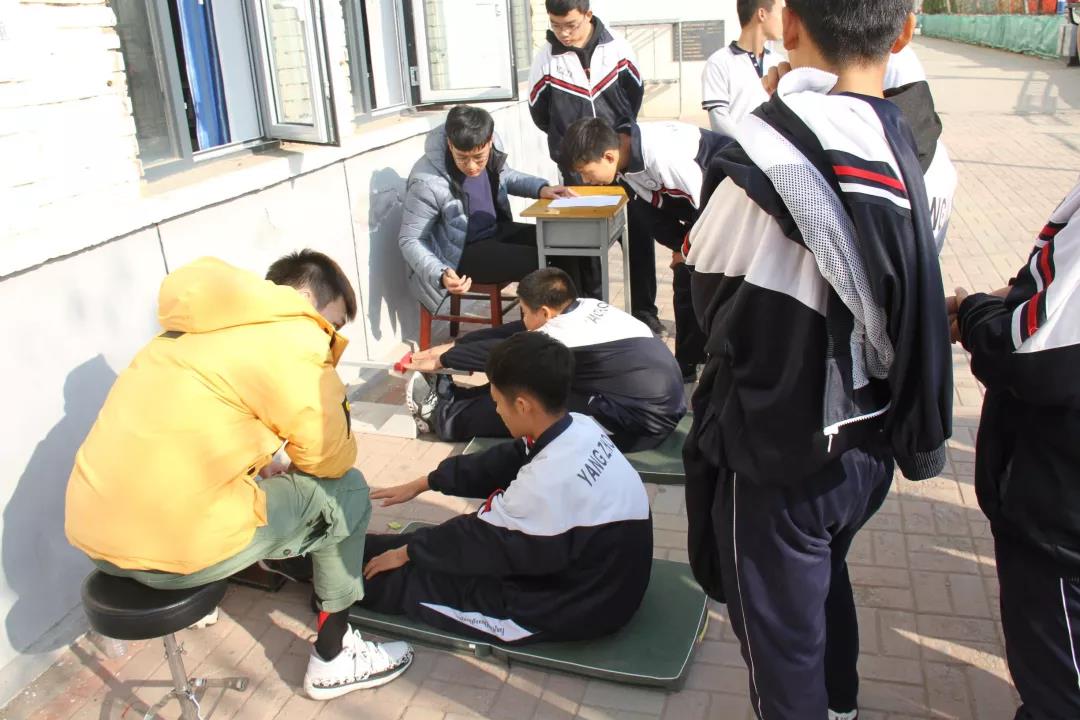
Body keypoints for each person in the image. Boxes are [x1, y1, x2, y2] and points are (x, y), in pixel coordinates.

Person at [682, 2, 953, 717]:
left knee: (781, 647)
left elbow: (707, 284)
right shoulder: (923, 151)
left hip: (781, 451)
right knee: (827, 578)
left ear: (792, 27)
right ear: (904, 31)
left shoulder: (768, 148)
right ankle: (842, 707)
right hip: (871, 443)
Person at [64, 251, 413, 701]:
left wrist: (260, 458)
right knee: (348, 491)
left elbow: (193, 428)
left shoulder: (189, 329)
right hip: (169, 555)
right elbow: (330, 458)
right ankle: (334, 656)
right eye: (334, 322)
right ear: (309, 299)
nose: (331, 335)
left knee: (261, 482)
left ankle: (225, 585)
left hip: (96, 539)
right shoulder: (295, 340)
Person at [361, 332, 653, 644]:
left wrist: (409, 552)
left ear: (523, 405)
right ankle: (353, 551)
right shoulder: (578, 425)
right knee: (410, 549)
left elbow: (477, 537)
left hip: (584, 602)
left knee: (415, 583)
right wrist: (426, 483)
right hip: (594, 565)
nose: (497, 410)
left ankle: (331, 581)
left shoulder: (547, 482)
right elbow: (502, 462)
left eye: (497, 402)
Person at [951, 179, 1080, 718]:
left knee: (1058, 690)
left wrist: (975, 313)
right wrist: (1010, 299)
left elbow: (1033, 356)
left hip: (1059, 519)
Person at [405, 267, 686, 452]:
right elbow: (518, 331)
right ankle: (457, 398)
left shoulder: (565, 335)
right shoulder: (584, 307)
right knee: (539, 380)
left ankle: (440, 417)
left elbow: (506, 352)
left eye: (525, 311)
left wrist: (444, 359)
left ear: (544, 312)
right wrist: (456, 345)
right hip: (651, 404)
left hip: (640, 426)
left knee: (530, 401)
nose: (523, 317)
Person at [528, 0, 664, 334]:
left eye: (571, 25)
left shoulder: (617, 48)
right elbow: (539, 113)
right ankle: (593, 316)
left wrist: (612, 145)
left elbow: (634, 96)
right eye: (556, 25)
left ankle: (644, 312)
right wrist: (572, 148)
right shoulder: (546, 58)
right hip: (578, 169)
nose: (564, 33)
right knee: (585, 249)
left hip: (619, 163)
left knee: (639, 236)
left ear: (588, 15)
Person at [559, 117, 730, 381]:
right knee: (686, 280)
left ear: (608, 156)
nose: (585, 180)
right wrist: (680, 247)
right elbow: (651, 216)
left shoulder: (663, 156)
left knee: (714, 286)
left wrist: (687, 250)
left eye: (585, 171)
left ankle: (722, 363)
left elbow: (709, 210)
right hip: (702, 214)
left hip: (727, 203)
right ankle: (688, 364)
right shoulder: (622, 160)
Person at [398, 105, 580, 316]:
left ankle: (577, 315)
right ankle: (543, 325)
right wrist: (440, 273)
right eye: (462, 158)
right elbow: (410, 239)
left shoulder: (492, 147)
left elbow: (506, 176)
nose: (472, 166)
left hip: (495, 231)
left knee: (562, 244)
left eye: (479, 158)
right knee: (542, 261)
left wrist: (541, 189)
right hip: (460, 255)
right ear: (450, 144)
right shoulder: (427, 181)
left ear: (490, 140)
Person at [701, 0, 786, 138]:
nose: (784, 19)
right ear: (762, 14)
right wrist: (750, 145)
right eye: (780, 12)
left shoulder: (778, 62)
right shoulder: (718, 62)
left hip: (774, 149)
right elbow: (719, 121)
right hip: (736, 150)